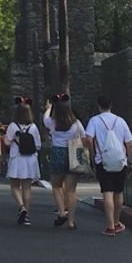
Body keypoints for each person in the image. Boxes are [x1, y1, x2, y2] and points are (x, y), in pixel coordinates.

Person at [84, 95, 132, 237]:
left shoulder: (94, 120)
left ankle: (110, 225)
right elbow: (130, 143)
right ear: (111, 105)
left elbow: (88, 139)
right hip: (120, 161)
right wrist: (130, 161)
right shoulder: (121, 121)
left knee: (107, 191)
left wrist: (93, 156)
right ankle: (117, 222)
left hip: (102, 160)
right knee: (118, 192)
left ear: (98, 105)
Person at [44, 93, 85, 230]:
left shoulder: (52, 122)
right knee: (71, 190)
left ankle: (62, 212)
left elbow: (45, 117)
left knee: (56, 186)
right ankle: (71, 221)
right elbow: (84, 138)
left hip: (57, 152)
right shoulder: (76, 124)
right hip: (72, 153)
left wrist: (49, 107)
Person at [5, 97, 43, 225]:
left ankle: (21, 207)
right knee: (27, 187)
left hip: (17, 157)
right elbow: (38, 145)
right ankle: (26, 214)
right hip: (30, 159)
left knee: (15, 186)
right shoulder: (33, 127)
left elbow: (6, 142)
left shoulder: (12, 126)